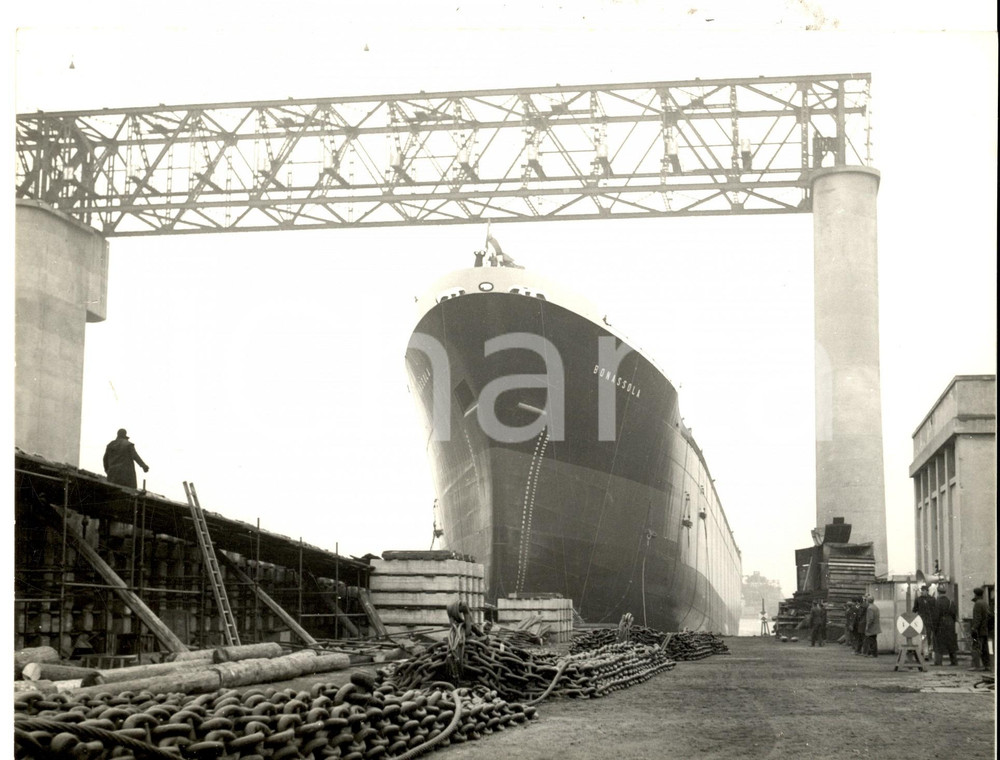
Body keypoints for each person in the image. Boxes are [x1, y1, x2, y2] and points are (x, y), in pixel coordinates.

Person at [932, 585, 959, 666]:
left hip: (941, 624)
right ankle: (954, 661)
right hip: (950, 624)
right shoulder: (951, 601)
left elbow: (936, 616)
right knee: (951, 642)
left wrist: (934, 628)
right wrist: (952, 622)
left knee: (938, 642)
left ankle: (938, 662)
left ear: (938, 592)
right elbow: (954, 614)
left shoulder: (937, 602)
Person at [970, 587, 991, 671]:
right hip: (985, 630)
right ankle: (987, 665)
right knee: (985, 649)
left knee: (976, 647)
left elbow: (977, 618)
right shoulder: (985, 603)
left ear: (975, 594)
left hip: (979, 630)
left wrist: (974, 628)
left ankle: (976, 666)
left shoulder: (978, 604)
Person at [913, 584, 936, 659]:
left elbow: (914, 610)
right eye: (921, 590)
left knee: (927, 637)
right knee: (926, 637)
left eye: (923, 590)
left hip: (926, 620)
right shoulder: (932, 599)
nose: (922, 592)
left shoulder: (919, 599)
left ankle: (926, 652)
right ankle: (926, 652)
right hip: (926, 621)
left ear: (927, 591)